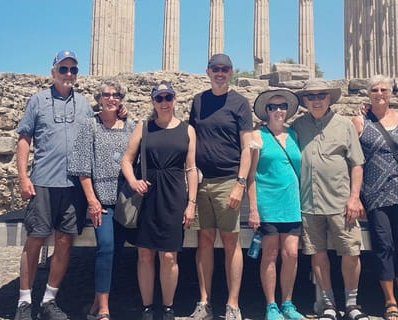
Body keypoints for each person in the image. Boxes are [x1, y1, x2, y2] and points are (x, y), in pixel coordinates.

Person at [14, 50, 91, 320]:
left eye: (73, 70)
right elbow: (24, 140)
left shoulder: (84, 104)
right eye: (63, 69)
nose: (68, 74)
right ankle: (24, 301)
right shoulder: (37, 101)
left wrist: (121, 112)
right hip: (43, 183)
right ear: (53, 71)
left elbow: (99, 130)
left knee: (64, 241)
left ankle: (49, 299)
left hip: (74, 186)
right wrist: (23, 177)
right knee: (34, 240)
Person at [291, 79, 369, 320]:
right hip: (309, 202)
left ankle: (352, 303)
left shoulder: (344, 125)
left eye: (321, 95)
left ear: (329, 98)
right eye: (311, 96)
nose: (316, 100)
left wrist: (354, 197)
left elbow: (357, 163)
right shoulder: (298, 126)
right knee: (318, 253)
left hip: (340, 201)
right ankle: (327, 303)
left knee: (350, 252)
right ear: (304, 100)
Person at [352, 75, 398, 320]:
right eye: (374, 89)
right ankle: (390, 301)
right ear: (368, 93)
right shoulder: (359, 121)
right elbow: (353, 161)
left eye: (384, 89)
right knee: (383, 247)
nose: (379, 93)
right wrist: (356, 196)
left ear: (391, 92)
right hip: (374, 193)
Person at [121, 81, 198, 320]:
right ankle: (146, 307)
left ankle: (167, 307)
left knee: (169, 255)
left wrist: (191, 203)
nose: (164, 102)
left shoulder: (187, 130)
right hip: (147, 195)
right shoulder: (144, 127)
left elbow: (191, 168)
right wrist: (134, 182)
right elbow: (126, 159)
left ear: (175, 100)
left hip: (174, 196)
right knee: (144, 254)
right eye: (159, 98)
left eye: (168, 97)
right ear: (153, 101)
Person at [188, 53, 254, 320]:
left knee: (230, 241)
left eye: (224, 69)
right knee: (204, 239)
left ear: (231, 72)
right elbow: (191, 137)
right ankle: (204, 302)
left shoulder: (239, 103)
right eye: (215, 68)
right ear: (207, 71)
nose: (220, 72)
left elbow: (247, 146)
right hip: (203, 182)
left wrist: (240, 183)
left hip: (229, 180)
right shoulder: (198, 101)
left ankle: (233, 304)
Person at [69, 80, 135, 320]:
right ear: (98, 99)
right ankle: (104, 309)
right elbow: (83, 168)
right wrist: (92, 201)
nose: (111, 98)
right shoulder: (90, 126)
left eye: (116, 95)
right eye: (106, 95)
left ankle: (97, 302)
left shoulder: (130, 125)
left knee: (120, 250)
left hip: (127, 200)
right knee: (105, 248)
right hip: (102, 200)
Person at [246, 89, 306, 320]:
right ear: (266, 111)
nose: (278, 110)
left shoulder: (294, 134)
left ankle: (288, 303)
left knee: (291, 254)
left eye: (282, 106)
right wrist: (253, 208)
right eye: (273, 107)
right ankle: (271, 304)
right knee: (269, 254)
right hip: (267, 203)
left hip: (291, 203)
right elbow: (251, 176)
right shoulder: (257, 136)